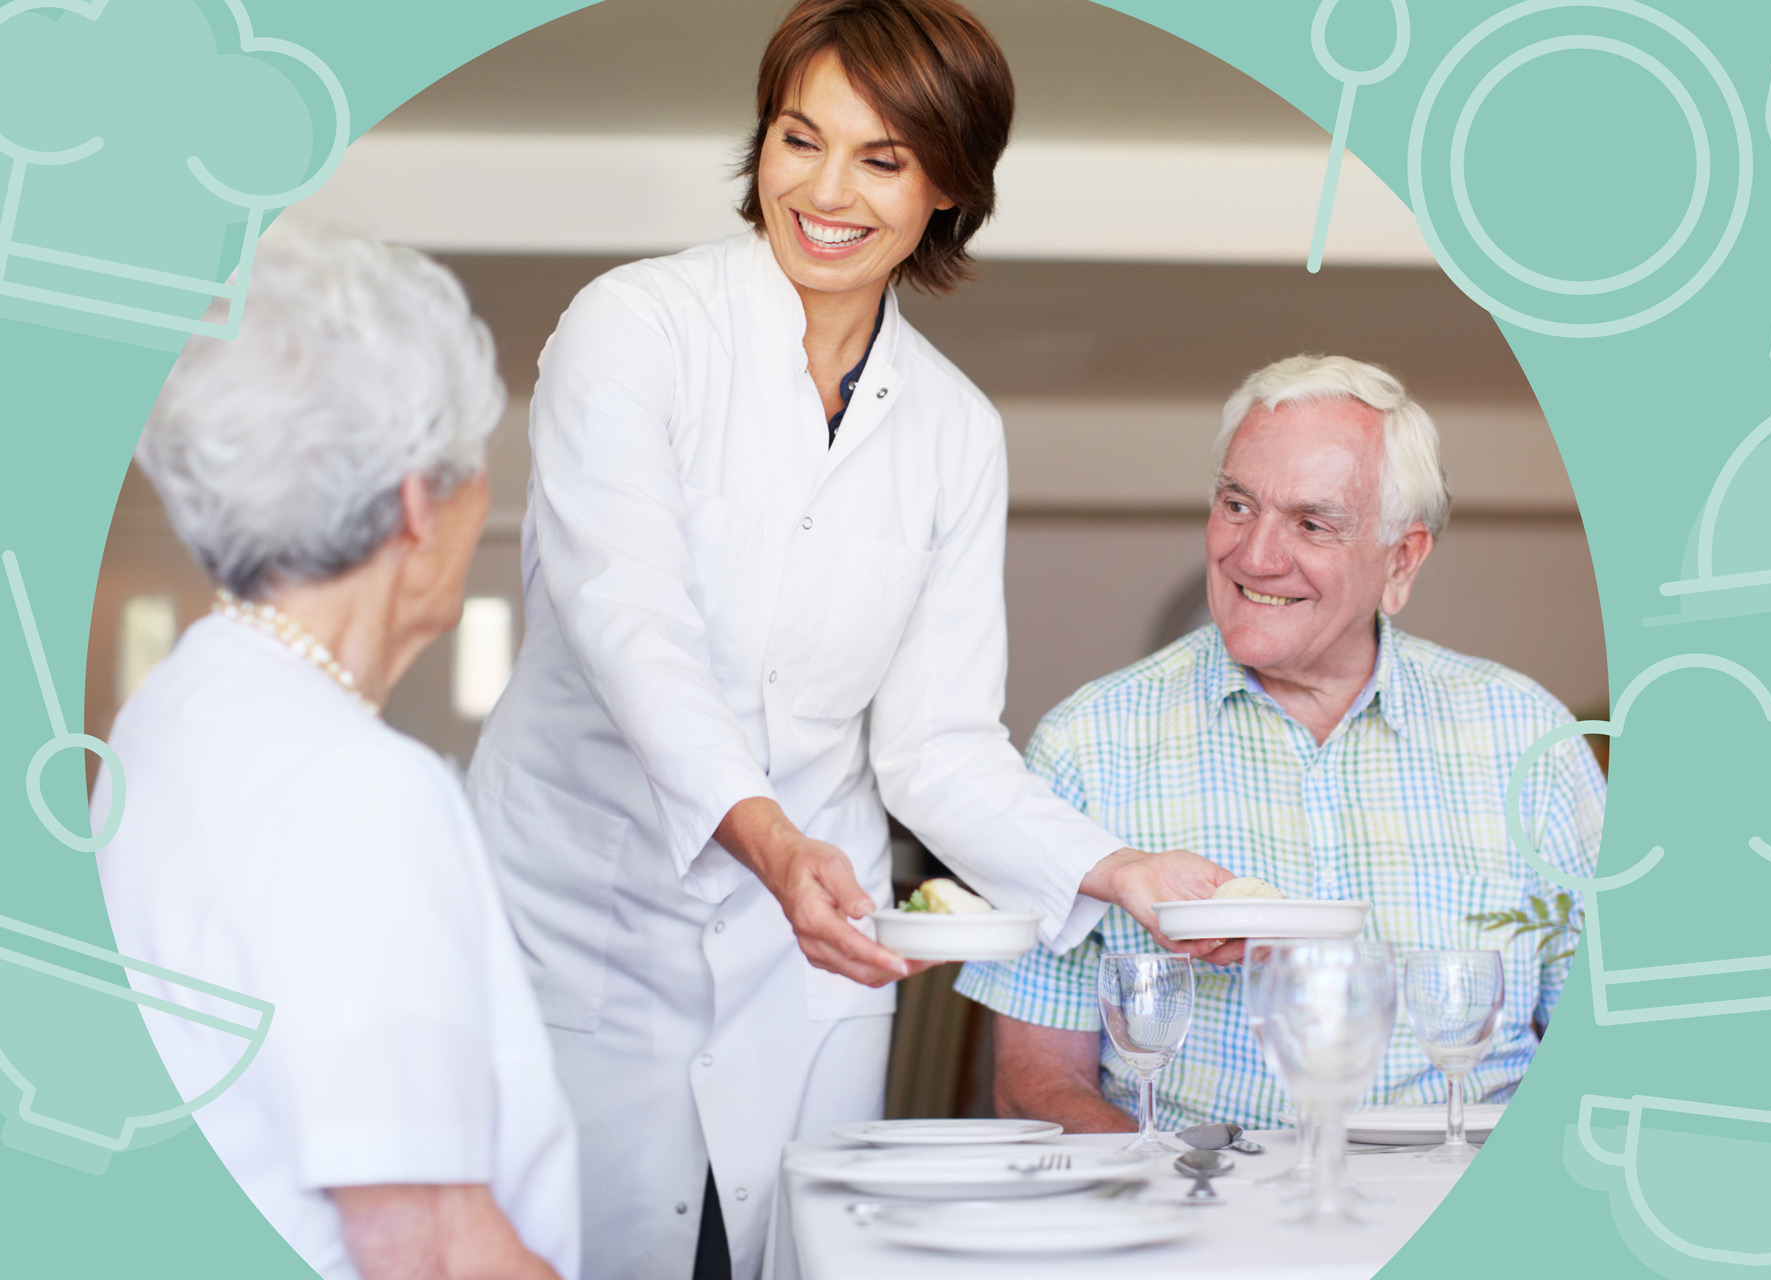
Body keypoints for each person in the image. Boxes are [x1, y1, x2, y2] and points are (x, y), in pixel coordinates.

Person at [467, 2, 1234, 1276]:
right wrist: (771, 839)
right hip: (580, 928)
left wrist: (1117, 870)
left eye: (882, 159)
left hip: (806, 964)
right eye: (798, 139)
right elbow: (629, 625)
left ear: (949, 187)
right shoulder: (635, 328)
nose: (824, 193)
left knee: (781, 1251)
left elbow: (939, 746)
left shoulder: (955, 430)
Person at [94, 224, 580, 1280]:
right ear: (416, 504)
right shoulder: (356, 790)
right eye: (473, 472)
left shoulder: (179, 703)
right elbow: (431, 1251)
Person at [957, 354, 1606, 1134]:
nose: (1255, 556)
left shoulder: (1530, 742)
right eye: (1237, 505)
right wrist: (1185, 1193)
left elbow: (1610, 1050)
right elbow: (1036, 1083)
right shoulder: (1088, 742)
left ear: (1401, 561)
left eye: (1311, 523)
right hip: (1194, 1196)